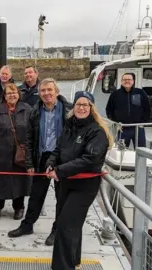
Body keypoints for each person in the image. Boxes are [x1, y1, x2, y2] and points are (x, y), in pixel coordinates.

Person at [46, 91, 113, 270]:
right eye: (78, 104)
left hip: (84, 186)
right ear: (73, 107)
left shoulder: (97, 131)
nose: (81, 107)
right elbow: (58, 149)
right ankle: (74, 262)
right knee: (71, 225)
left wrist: (60, 170)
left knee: (66, 225)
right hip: (65, 183)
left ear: (91, 108)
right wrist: (51, 163)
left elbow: (90, 159)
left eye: (85, 105)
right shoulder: (69, 126)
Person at [7, 78, 72, 246]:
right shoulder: (35, 111)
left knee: (61, 196)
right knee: (36, 194)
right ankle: (27, 225)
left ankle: (57, 229)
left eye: (50, 90)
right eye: (43, 91)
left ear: (56, 91)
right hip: (42, 156)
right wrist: (29, 163)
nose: (46, 93)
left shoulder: (68, 110)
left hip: (62, 159)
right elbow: (29, 139)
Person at [0, 83, 32, 220]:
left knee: (19, 182)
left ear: (18, 94)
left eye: (14, 92)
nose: (12, 95)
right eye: (8, 93)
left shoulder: (27, 109)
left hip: (20, 154)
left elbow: (33, 130)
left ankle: (19, 207)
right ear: (4, 95)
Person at [105, 73, 151, 148]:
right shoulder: (115, 94)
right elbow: (109, 110)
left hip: (138, 128)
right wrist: (116, 123)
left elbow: (147, 109)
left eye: (129, 79)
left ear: (133, 81)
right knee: (121, 151)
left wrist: (143, 122)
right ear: (121, 81)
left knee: (142, 150)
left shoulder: (140, 93)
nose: (127, 81)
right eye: (125, 79)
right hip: (122, 128)